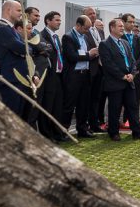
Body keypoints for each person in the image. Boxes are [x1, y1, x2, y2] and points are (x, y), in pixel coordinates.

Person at [99, 18, 140, 142]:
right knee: (114, 109)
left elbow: (132, 60)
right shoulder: (105, 44)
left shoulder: (125, 42)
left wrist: (132, 74)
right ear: (112, 28)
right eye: (120, 26)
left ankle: (137, 132)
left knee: (132, 107)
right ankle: (114, 133)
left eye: (122, 26)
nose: (122, 28)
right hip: (115, 82)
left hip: (129, 81)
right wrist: (122, 76)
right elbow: (108, 64)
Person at [61, 15, 99, 138]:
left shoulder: (85, 37)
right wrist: (89, 54)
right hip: (73, 76)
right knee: (69, 105)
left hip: (85, 74)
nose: (87, 30)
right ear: (78, 25)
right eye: (85, 28)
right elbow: (72, 56)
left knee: (84, 104)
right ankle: (63, 130)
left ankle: (82, 129)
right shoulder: (68, 37)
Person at [0, 0, 29, 121]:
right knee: (12, 118)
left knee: (19, 116)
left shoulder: (11, 30)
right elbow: (21, 48)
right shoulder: (3, 29)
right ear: (8, 10)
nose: (21, 14)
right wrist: (34, 48)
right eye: (19, 10)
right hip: (11, 80)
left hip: (18, 79)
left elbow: (23, 48)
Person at [38, 11, 68, 142]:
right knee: (48, 106)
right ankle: (47, 135)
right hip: (49, 75)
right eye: (56, 20)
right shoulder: (41, 36)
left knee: (57, 106)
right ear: (48, 21)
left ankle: (57, 133)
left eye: (60, 20)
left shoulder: (56, 37)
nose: (59, 22)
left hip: (59, 76)